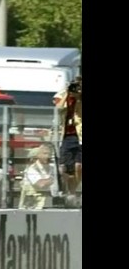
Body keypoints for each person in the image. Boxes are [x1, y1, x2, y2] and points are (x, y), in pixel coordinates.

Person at [53, 76, 82, 207]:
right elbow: (59, 108)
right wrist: (68, 93)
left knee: (79, 166)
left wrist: (79, 96)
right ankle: (69, 192)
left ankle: (73, 192)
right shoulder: (63, 94)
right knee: (65, 168)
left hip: (80, 134)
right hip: (66, 135)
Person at [19, 145, 55, 210]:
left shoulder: (52, 168)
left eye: (49, 154)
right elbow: (41, 184)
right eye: (44, 154)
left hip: (48, 205)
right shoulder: (31, 169)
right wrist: (54, 178)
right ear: (38, 155)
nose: (47, 156)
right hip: (33, 208)